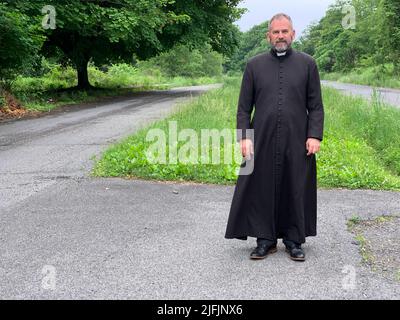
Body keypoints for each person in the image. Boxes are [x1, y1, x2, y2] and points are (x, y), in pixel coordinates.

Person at [225, 13, 324, 262]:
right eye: (276, 32)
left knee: (295, 186)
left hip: (297, 138)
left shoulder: (308, 64)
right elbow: (243, 107)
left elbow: (316, 106)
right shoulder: (254, 65)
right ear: (268, 35)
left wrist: (314, 135)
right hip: (261, 138)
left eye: (284, 31)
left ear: (293, 34)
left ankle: (293, 240)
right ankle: (265, 239)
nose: (280, 36)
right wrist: (244, 137)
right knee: (260, 187)